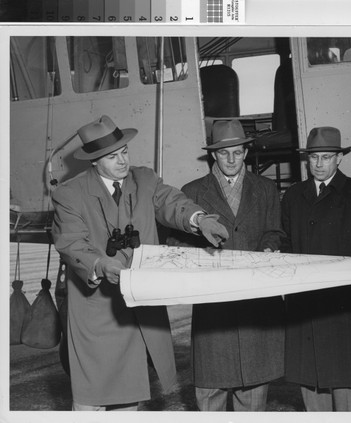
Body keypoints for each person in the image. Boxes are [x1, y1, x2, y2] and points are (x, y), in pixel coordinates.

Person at [51, 115, 229, 411]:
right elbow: (71, 243)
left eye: (124, 152)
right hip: (97, 310)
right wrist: (100, 265)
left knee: (129, 395)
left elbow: (171, 202)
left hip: (137, 305)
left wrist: (197, 218)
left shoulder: (144, 179)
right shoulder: (69, 194)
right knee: (90, 400)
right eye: (112, 156)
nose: (122, 161)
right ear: (94, 161)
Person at [168, 119, 285, 411]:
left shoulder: (267, 189)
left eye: (237, 152)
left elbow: (275, 230)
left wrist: (270, 246)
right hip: (214, 312)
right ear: (213, 155)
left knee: (254, 396)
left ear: (246, 152)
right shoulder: (192, 192)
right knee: (211, 394)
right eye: (223, 153)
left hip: (256, 308)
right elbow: (176, 244)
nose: (231, 159)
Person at [280, 126, 351, 411]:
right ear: (307, 160)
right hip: (305, 304)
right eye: (313, 158)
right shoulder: (293, 196)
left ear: (339, 158)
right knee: (312, 383)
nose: (319, 164)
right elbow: (285, 239)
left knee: (348, 384)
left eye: (326, 157)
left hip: (345, 306)